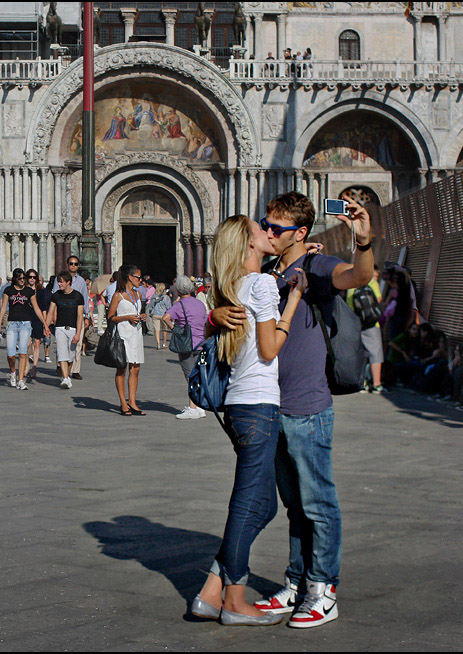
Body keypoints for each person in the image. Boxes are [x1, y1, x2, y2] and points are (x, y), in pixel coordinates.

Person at [213, 191, 375, 628]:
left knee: (319, 501)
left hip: (306, 405)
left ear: (301, 233)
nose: (267, 232)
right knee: (294, 505)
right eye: (265, 225)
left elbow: (359, 276)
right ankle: (296, 581)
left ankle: (323, 588)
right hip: (269, 407)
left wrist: (362, 239)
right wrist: (216, 315)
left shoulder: (317, 268)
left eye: (276, 228)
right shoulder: (266, 272)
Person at [191, 213, 307, 626]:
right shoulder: (258, 285)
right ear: (248, 245)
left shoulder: (235, 287)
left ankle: (210, 592)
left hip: (239, 409)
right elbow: (270, 347)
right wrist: (291, 305)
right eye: (263, 231)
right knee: (246, 506)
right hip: (259, 406)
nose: (271, 233)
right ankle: (235, 602)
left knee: (263, 506)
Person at [162, 275, 209, 420]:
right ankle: (200, 406)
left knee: (190, 376)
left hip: (186, 344)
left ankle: (192, 408)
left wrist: (174, 329)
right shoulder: (200, 304)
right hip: (201, 343)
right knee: (199, 374)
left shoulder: (179, 305)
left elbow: (165, 318)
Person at [0, 268, 49, 390]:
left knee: (23, 353)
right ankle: (13, 372)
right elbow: (3, 308)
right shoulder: (8, 290)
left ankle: (20, 380)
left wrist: (45, 324)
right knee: (10, 354)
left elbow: (36, 308)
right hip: (12, 324)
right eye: (20, 278)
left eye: (24, 278)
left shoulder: (29, 291)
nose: (22, 280)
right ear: (15, 279)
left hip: (25, 324)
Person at [107, 264, 147, 415]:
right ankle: (123, 402)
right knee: (122, 368)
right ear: (130, 277)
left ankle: (133, 401)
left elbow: (138, 311)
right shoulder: (119, 295)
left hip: (136, 333)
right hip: (123, 334)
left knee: (135, 368)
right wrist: (127, 317)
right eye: (138, 277)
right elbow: (111, 317)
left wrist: (142, 316)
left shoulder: (138, 295)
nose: (140, 280)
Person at [347, 263, 385, 393]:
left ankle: (362, 383)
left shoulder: (352, 282)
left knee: (359, 354)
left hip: (355, 323)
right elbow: (378, 299)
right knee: (376, 353)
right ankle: (376, 384)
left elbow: (348, 304)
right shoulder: (372, 282)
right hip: (372, 324)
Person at [46, 270, 84, 389]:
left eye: (61, 282)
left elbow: (79, 316)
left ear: (68, 282)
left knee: (71, 356)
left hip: (73, 329)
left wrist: (78, 333)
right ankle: (66, 378)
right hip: (60, 328)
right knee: (62, 353)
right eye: (58, 282)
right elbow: (50, 312)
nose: (59, 284)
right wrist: (46, 326)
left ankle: (66, 375)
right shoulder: (56, 295)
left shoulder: (78, 296)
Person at [67, 256, 90, 381]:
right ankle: (62, 366)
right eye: (71, 263)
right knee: (64, 342)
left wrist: (87, 316)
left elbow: (85, 299)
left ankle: (75, 370)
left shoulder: (81, 281)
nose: (73, 266)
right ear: (67, 264)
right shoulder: (60, 279)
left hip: (78, 315)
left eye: (75, 264)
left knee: (78, 343)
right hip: (64, 315)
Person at [27, 270, 52, 379]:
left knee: (37, 343)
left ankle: (34, 366)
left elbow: (44, 309)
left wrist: (45, 324)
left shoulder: (41, 292)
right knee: (27, 343)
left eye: (34, 277)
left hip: (38, 319)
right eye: (29, 277)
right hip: (27, 317)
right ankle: (27, 364)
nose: (32, 279)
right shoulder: (24, 290)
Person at [147, 282, 172, 349]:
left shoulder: (154, 296)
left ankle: (158, 344)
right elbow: (169, 307)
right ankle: (164, 343)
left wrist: (150, 312)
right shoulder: (166, 297)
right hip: (164, 315)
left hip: (155, 314)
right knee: (165, 329)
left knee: (157, 329)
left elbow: (151, 305)